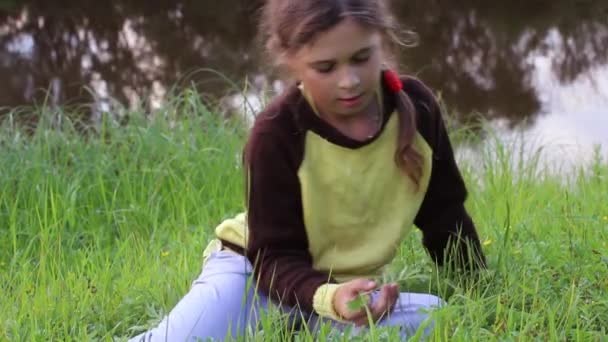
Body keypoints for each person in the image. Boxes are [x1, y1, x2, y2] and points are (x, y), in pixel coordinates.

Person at [129, 0, 486, 340]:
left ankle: (294, 328)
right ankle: (274, 319)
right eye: (326, 67)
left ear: (383, 42)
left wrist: (479, 289)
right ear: (292, 62)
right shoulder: (276, 133)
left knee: (436, 317)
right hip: (253, 275)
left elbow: (444, 212)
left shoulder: (417, 108)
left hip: (343, 294)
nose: (349, 81)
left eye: (362, 58)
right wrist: (326, 298)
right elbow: (274, 257)